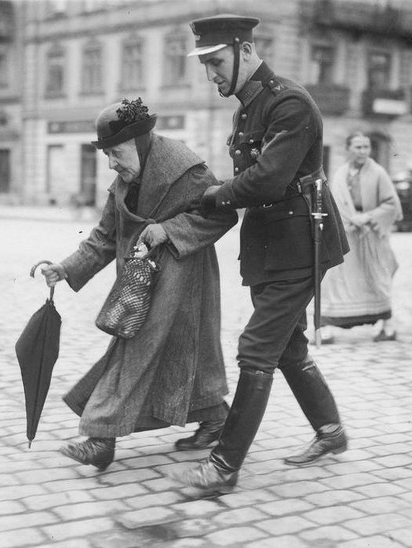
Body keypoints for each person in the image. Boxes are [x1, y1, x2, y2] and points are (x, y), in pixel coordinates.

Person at [167, 15, 350, 494]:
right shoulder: (248, 107)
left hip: (301, 245)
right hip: (271, 246)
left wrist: (210, 196)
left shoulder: (290, 104)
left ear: (245, 51)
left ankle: (223, 467)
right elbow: (250, 183)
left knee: (257, 348)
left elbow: (266, 180)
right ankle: (331, 432)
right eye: (205, 64)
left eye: (216, 62)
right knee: (287, 345)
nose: (210, 74)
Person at [39, 98, 238, 471]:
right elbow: (103, 237)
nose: (111, 164)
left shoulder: (186, 169)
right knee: (183, 354)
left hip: (185, 277)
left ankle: (101, 438)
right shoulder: (124, 184)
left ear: (138, 143)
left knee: (134, 351)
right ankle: (215, 418)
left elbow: (223, 215)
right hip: (144, 280)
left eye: (115, 153)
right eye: (107, 155)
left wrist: (170, 229)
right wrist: (66, 269)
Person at [320, 131, 403, 343]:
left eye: (366, 147)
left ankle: (388, 326)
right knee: (335, 280)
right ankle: (327, 328)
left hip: (371, 235)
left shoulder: (378, 173)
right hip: (347, 234)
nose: (363, 151)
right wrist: (347, 221)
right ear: (348, 149)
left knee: (377, 278)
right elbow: (334, 202)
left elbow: (391, 204)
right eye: (358, 147)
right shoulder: (340, 173)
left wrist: (366, 218)